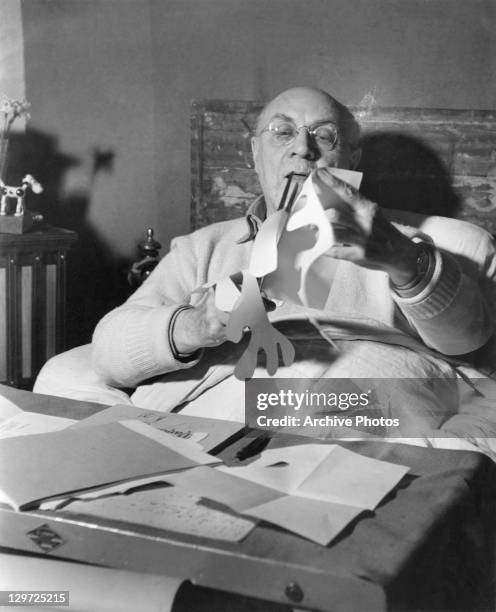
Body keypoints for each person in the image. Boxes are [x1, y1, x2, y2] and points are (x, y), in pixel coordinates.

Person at [38, 87, 496, 441]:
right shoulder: (206, 246)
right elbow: (110, 349)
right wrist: (196, 325)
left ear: (352, 157)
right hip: (218, 413)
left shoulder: (436, 242)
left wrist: (400, 256)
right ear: (254, 154)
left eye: (324, 135)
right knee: (62, 372)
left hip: (344, 401)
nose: (303, 148)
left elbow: (468, 343)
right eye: (282, 132)